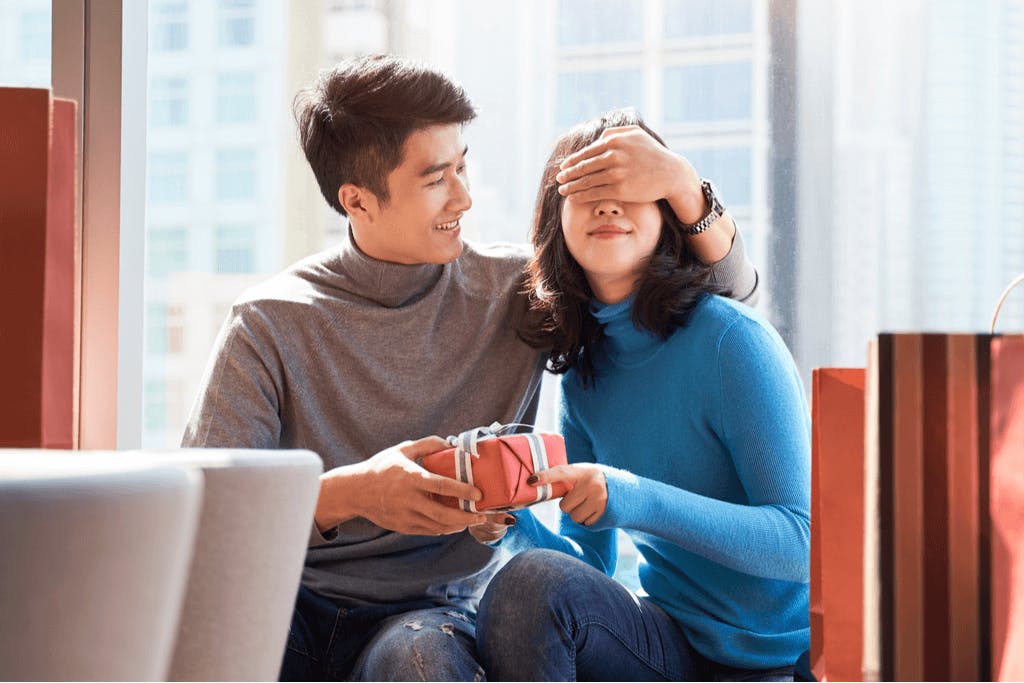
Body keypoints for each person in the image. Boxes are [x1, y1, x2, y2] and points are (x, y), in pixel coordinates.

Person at [182, 55, 760, 682]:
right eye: (437, 179)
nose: (465, 196)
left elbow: (723, 299)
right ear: (357, 200)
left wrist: (685, 189)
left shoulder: (520, 293)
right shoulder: (269, 323)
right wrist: (354, 494)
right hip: (281, 604)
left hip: (427, 615)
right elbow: (203, 516)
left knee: (420, 661)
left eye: (463, 166)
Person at [472, 108, 810, 682]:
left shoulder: (733, 342)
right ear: (557, 221)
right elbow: (591, 566)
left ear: (665, 214)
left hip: (775, 661)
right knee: (524, 583)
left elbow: (800, 545)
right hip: (668, 643)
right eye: (586, 191)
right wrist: (512, 525)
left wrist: (632, 496)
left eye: (627, 191)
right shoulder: (583, 377)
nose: (607, 205)